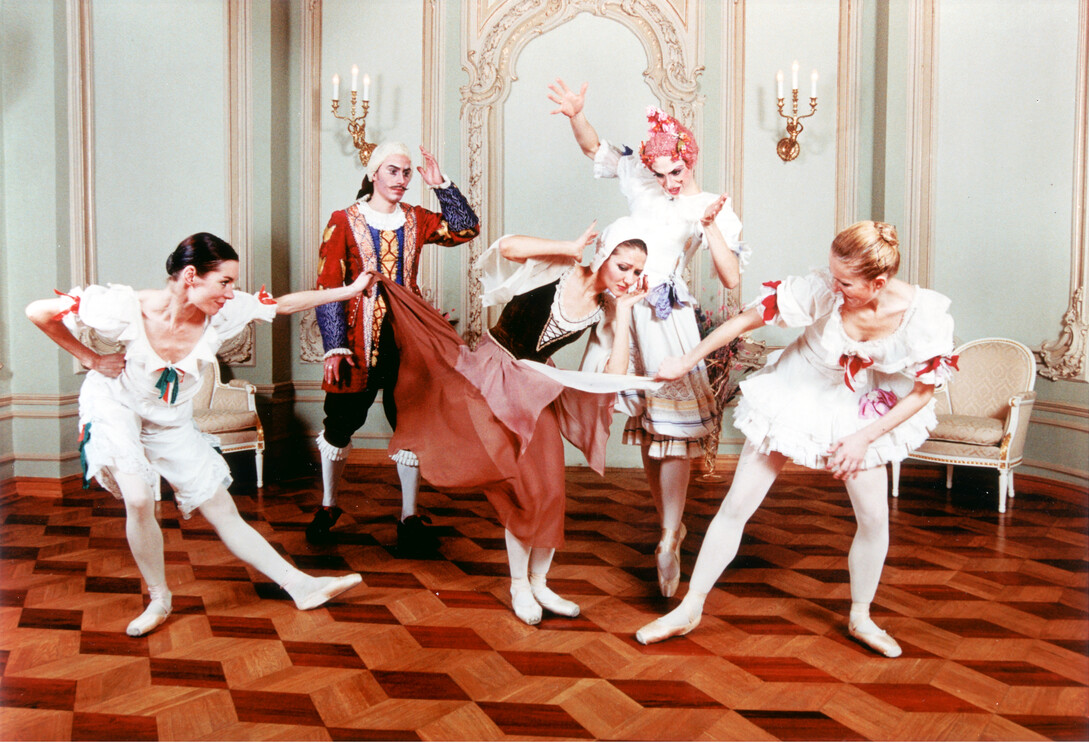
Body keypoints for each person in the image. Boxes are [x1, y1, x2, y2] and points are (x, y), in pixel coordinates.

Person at [634, 221, 957, 658]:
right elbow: (749, 318)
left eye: (845, 281)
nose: (834, 285)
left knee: (874, 518)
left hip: (860, 408)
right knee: (737, 506)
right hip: (796, 389)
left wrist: (863, 438)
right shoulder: (823, 288)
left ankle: (861, 616)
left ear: (879, 282)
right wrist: (686, 360)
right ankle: (689, 608)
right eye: (832, 274)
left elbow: (922, 391)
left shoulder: (923, 314)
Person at [25, 233, 368, 637]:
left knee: (221, 508)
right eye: (224, 282)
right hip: (118, 407)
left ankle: (302, 586)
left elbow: (285, 304)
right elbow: (39, 311)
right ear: (191, 275)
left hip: (169, 419)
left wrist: (351, 289)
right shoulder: (126, 306)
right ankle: (159, 598)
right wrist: (91, 358)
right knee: (138, 497)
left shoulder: (224, 311)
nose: (231, 292)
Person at [372, 217, 660, 624]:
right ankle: (519, 587)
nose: (629, 277)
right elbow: (506, 247)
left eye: (636, 272)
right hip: (491, 371)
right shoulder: (562, 266)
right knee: (522, 490)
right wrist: (567, 243)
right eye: (622, 266)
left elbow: (612, 373)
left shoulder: (608, 309)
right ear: (602, 254)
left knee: (551, 489)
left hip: (535, 386)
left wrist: (627, 311)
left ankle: (540, 583)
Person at [548, 79, 749, 598]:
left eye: (676, 171)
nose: (669, 182)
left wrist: (712, 229)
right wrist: (576, 115)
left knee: (673, 429)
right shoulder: (641, 176)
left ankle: (667, 533)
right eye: (660, 174)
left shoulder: (709, 204)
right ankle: (671, 529)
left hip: (665, 318)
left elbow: (730, 278)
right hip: (622, 312)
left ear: (689, 159)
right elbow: (596, 148)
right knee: (646, 425)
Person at [310, 142, 480, 553]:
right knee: (339, 425)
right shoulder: (343, 221)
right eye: (393, 171)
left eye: (406, 172)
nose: (401, 180)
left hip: (409, 341)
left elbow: (466, 229)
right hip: (356, 343)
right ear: (373, 174)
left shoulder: (416, 219)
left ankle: (408, 515)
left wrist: (442, 186)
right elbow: (329, 286)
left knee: (412, 425)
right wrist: (334, 347)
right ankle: (329, 504)